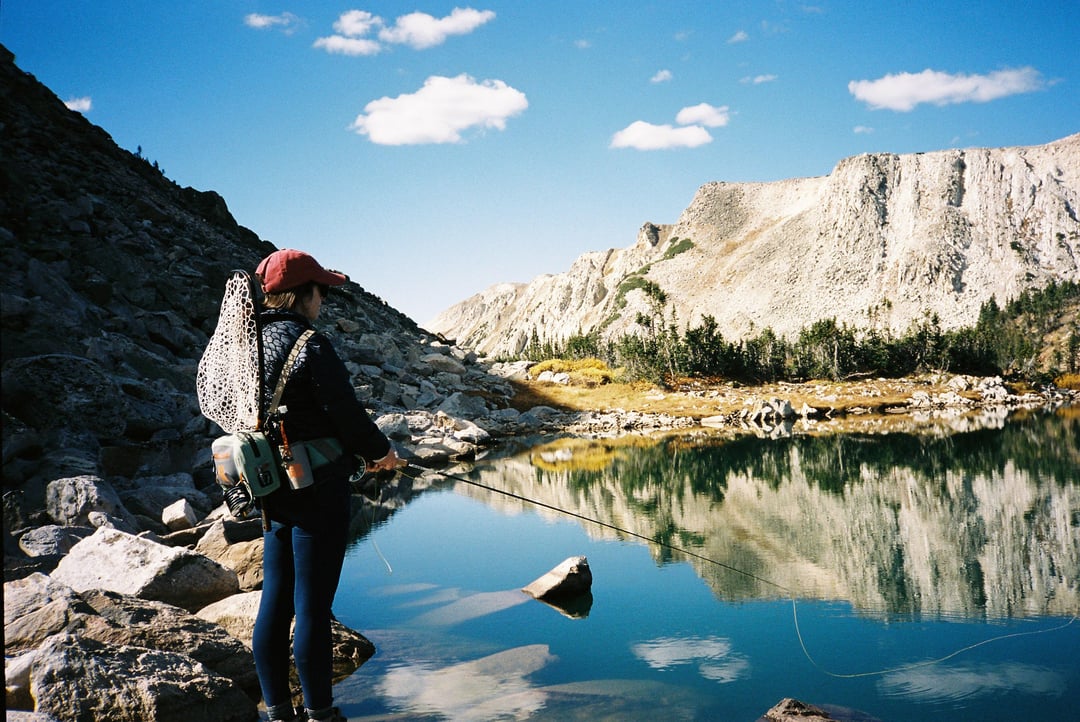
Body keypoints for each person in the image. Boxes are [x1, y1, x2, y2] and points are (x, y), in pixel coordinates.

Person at [251, 248, 400, 722]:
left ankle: (279, 713)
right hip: (317, 489)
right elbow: (346, 414)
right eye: (321, 292)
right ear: (303, 294)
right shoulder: (310, 343)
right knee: (313, 606)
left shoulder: (247, 343)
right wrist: (381, 454)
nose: (324, 301)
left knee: (275, 599)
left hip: (269, 486)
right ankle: (320, 714)